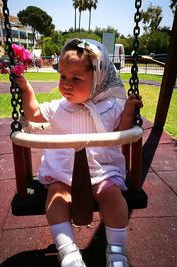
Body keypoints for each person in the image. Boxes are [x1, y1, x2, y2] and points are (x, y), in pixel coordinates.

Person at [16, 38, 143, 267]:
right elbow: (34, 114)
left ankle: (116, 251)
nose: (66, 83)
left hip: (103, 172)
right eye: (62, 76)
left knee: (114, 199)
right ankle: (68, 251)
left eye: (76, 78)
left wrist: (128, 113)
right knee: (55, 198)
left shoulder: (112, 106)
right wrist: (25, 89)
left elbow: (123, 131)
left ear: (98, 80)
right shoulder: (58, 107)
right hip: (63, 175)